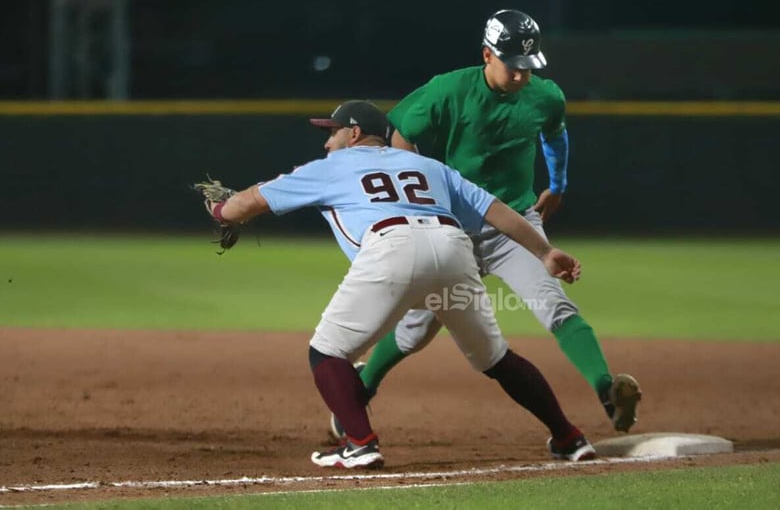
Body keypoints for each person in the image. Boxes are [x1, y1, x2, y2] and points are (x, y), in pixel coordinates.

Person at [202, 100, 597, 469]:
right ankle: (569, 437)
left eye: (333, 131)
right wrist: (544, 251)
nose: (327, 140)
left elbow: (248, 202)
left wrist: (220, 209)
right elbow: (494, 210)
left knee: (327, 352)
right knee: (496, 358)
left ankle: (360, 443)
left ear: (353, 134)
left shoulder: (331, 166)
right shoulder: (426, 166)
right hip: (453, 249)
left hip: (392, 248)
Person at [329, 10, 642, 442]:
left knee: (554, 304)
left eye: (528, 67)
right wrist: (412, 185)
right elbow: (399, 130)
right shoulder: (449, 90)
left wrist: (559, 183)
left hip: (514, 222)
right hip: (452, 228)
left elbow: (555, 133)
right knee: (418, 328)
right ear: (487, 55)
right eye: (513, 66)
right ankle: (361, 390)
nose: (521, 76)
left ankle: (608, 391)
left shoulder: (546, 97)